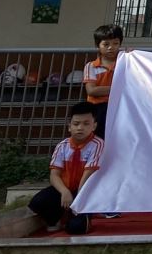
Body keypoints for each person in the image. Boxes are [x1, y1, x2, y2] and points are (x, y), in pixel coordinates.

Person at [30, 102, 102, 235]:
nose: (80, 128)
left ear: (94, 126)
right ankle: (56, 218)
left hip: (85, 191)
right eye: (76, 124)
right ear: (69, 127)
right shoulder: (62, 146)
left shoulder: (97, 144)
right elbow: (54, 175)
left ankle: (81, 217)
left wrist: (79, 199)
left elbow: (88, 174)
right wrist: (64, 191)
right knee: (37, 202)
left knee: (76, 228)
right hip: (66, 189)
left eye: (86, 124)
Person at [82, 23, 123, 140]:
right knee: (99, 138)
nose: (111, 47)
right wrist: (119, 88)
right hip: (98, 109)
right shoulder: (91, 66)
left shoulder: (125, 63)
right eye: (106, 44)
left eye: (115, 43)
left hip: (120, 107)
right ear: (98, 45)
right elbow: (91, 90)